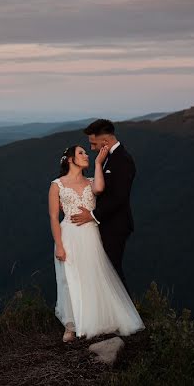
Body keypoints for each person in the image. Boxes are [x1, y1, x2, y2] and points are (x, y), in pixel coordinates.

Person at [49, 144, 144, 341]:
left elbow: (100, 189)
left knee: (94, 275)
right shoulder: (57, 185)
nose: (86, 155)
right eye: (81, 153)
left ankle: (95, 319)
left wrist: (99, 163)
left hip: (91, 235)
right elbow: (53, 217)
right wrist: (59, 244)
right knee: (69, 279)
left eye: (86, 153)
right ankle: (71, 325)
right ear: (70, 160)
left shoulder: (91, 181)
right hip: (68, 235)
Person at [71, 119, 135, 287]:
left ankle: (127, 312)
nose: (91, 148)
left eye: (93, 144)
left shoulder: (123, 160)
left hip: (116, 225)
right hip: (108, 223)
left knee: (113, 272)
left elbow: (119, 198)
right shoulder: (109, 157)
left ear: (105, 141)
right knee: (107, 271)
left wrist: (91, 215)